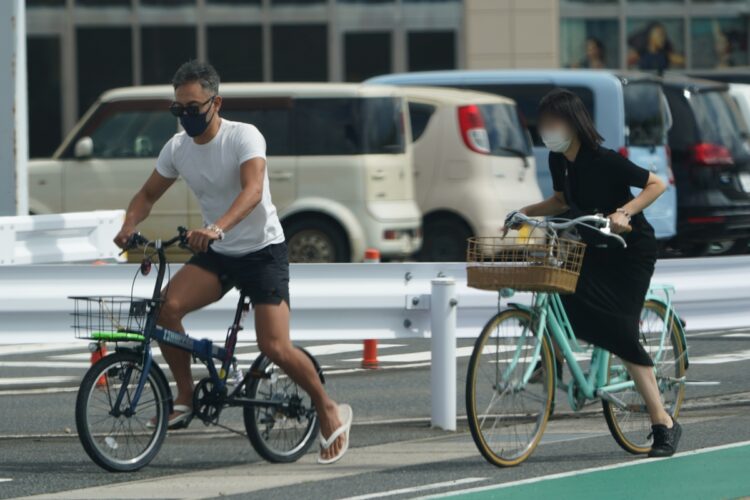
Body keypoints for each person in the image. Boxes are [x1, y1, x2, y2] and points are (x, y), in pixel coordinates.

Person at [113, 60, 352, 465]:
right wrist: (129, 224)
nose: (186, 116)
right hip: (218, 253)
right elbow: (147, 195)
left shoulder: (244, 137)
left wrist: (217, 227)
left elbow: (253, 191)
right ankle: (185, 396)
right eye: (178, 110)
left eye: (192, 107)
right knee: (167, 310)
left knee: (273, 345)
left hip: (262, 252)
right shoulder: (178, 148)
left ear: (215, 102)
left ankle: (328, 406)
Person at [503, 89, 682, 458]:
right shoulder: (559, 160)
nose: (547, 129)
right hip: (593, 249)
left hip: (629, 251)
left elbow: (656, 184)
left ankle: (662, 421)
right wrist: (524, 211)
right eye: (545, 123)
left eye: (553, 122)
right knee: (560, 293)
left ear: (573, 123)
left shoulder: (604, 160)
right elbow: (561, 201)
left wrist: (625, 212)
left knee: (619, 328)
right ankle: (550, 363)